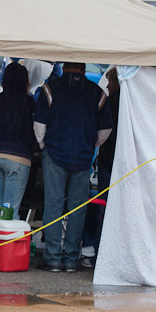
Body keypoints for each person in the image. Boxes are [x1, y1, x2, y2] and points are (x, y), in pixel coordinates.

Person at [34, 62, 112, 272]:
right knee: (78, 209)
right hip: (83, 156)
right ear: (84, 69)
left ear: (65, 65)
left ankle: (52, 259)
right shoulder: (97, 92)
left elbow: (39, 124)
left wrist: (45, 146)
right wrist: (90, 145)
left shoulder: (50, 88)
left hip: (55, 154)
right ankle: (70, 260)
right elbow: (106, 128)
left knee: (54, 206)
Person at [0, 61, 36, 219]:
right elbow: (31, 133)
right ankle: (6, 244)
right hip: (18, 159)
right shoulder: (29, 103)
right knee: (9, 209)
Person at [84, 66, 120, 265]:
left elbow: (105, 129)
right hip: (117, 161)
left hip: (108, 161)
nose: (106, 85)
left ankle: (100, 253)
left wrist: (98, 145)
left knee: (104, 209)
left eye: (109, 81)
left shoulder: (112, 102)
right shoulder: (128, 103)